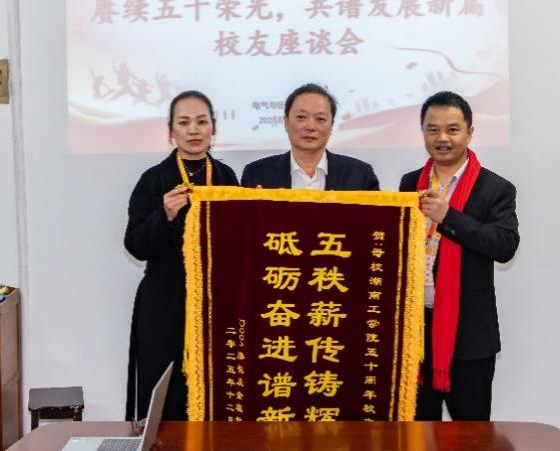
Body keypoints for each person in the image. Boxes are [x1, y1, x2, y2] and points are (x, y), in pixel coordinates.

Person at [399, 91, 519, 421]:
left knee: (472, 434)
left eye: (452, 129)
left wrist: (448, 217)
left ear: (469, 132)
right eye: (433, 129)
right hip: (416, 331)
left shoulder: (495, 188)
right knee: (417, 434)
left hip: (469, 335)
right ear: (423, 133)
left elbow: (505, 245)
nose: (442, 138)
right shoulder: (410, 183)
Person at [124, 91, 238, 421]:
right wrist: (165, 215)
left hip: (214, 304)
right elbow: (135, 245)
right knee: (163, 391)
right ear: (170, 130)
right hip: (164, 302)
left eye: (202, 122)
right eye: (184, 123)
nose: (193, 130)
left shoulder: (227, 178)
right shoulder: (153, 179)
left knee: (215, 391)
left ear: (214, 128)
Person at [241, 83, 379, 190]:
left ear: (332, 125)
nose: (310, 127)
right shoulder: (256, 174)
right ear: (286, 122)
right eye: (301, 117)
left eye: (320, 119)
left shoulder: (361, 175)